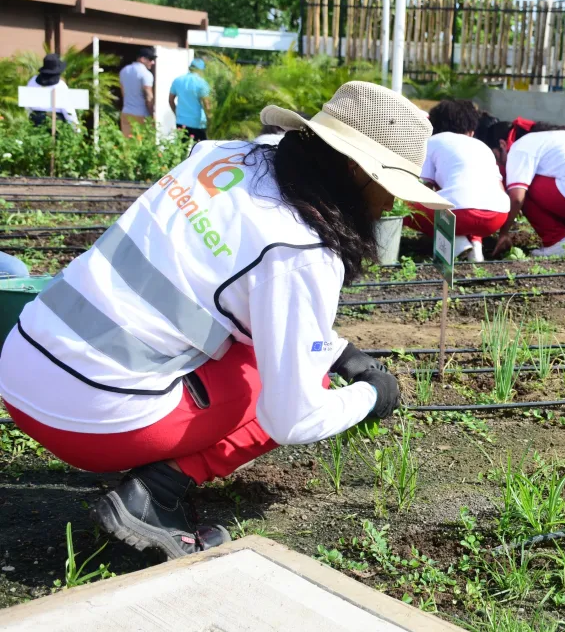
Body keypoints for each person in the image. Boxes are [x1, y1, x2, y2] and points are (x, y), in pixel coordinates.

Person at [0, 82, 452, 560]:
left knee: (275, 350)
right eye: (391, 187)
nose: (391, 205)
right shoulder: (302, 250)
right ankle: (157, 493)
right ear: (360, 171)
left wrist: (339, 348)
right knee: (297, 380)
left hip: (20, 367)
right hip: (88, 424)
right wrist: (371, 395)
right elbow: (294, 416)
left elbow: (220, 284)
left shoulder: (224, 157)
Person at [481, 120, 565, 258]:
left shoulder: (520, 146)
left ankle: (557, 241)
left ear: (502, 145)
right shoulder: (549, 138)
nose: (499, 163)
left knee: (522, 187)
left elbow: (517, 198)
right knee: (551, 184)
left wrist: (503, 233)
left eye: (496, 157)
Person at [403, 100, 510, 263]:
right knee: (465, 198)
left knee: (403, 205)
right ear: (471, 130)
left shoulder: (433, 142)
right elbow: (500, 188)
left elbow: (424, 188)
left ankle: (458, 244)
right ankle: (475, 246)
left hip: (460, 214)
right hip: (497, 215)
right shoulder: (482, 146)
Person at [24, 54, 79, 128]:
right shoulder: (61, 86)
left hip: (35, 120)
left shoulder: (32, 81)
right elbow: (68, 110)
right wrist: (76, 128)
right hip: (56, 122)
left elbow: (27, 105)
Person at [169, 58, 212, 142]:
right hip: (198, 124)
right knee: (200, 150)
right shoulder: (202, 83)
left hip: (181, 122)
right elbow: (207, 105)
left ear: (190, 68)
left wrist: (177, 114)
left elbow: (170, 100)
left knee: (182, 150)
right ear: (201, 70)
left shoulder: (178, 80)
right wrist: (210, 122)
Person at [119, 47, 156, 137]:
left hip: (126, 112)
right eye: (151, 59)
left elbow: (123, 92)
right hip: (142, 114)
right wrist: (153, 116)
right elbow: (149, 97)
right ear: (142, 59)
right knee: (143, 144)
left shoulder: (124, 71)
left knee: (128, 143)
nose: (153, 62)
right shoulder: (146, 74)